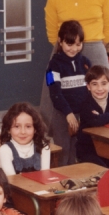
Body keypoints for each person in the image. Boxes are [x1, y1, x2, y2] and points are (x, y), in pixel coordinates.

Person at [41, 0, 109, 164]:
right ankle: (63, 161)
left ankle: (93, 161)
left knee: (95, 107)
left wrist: (89, 47)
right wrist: (69, 50)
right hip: (64, 53)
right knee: (56, 105)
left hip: (94, 49)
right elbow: (52, 34)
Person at [46, 20, 92, 165]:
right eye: (69, 44)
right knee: (63, 152)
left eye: (78, 44)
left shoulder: (86, 63)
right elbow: (54, 93)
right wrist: (68, 113)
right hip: (62, 116)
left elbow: (90, 90)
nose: (74, 49)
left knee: (77, 151)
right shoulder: (52, 66)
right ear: (60, 41)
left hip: (80, 116)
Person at [0, 102, 51, 176]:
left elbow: (45, 176)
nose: (23, 132)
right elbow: (12, 181)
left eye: (28, 126)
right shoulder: (5, 150)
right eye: (17, 127)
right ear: (8, 129)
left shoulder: (43, 147)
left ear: (35, 129)